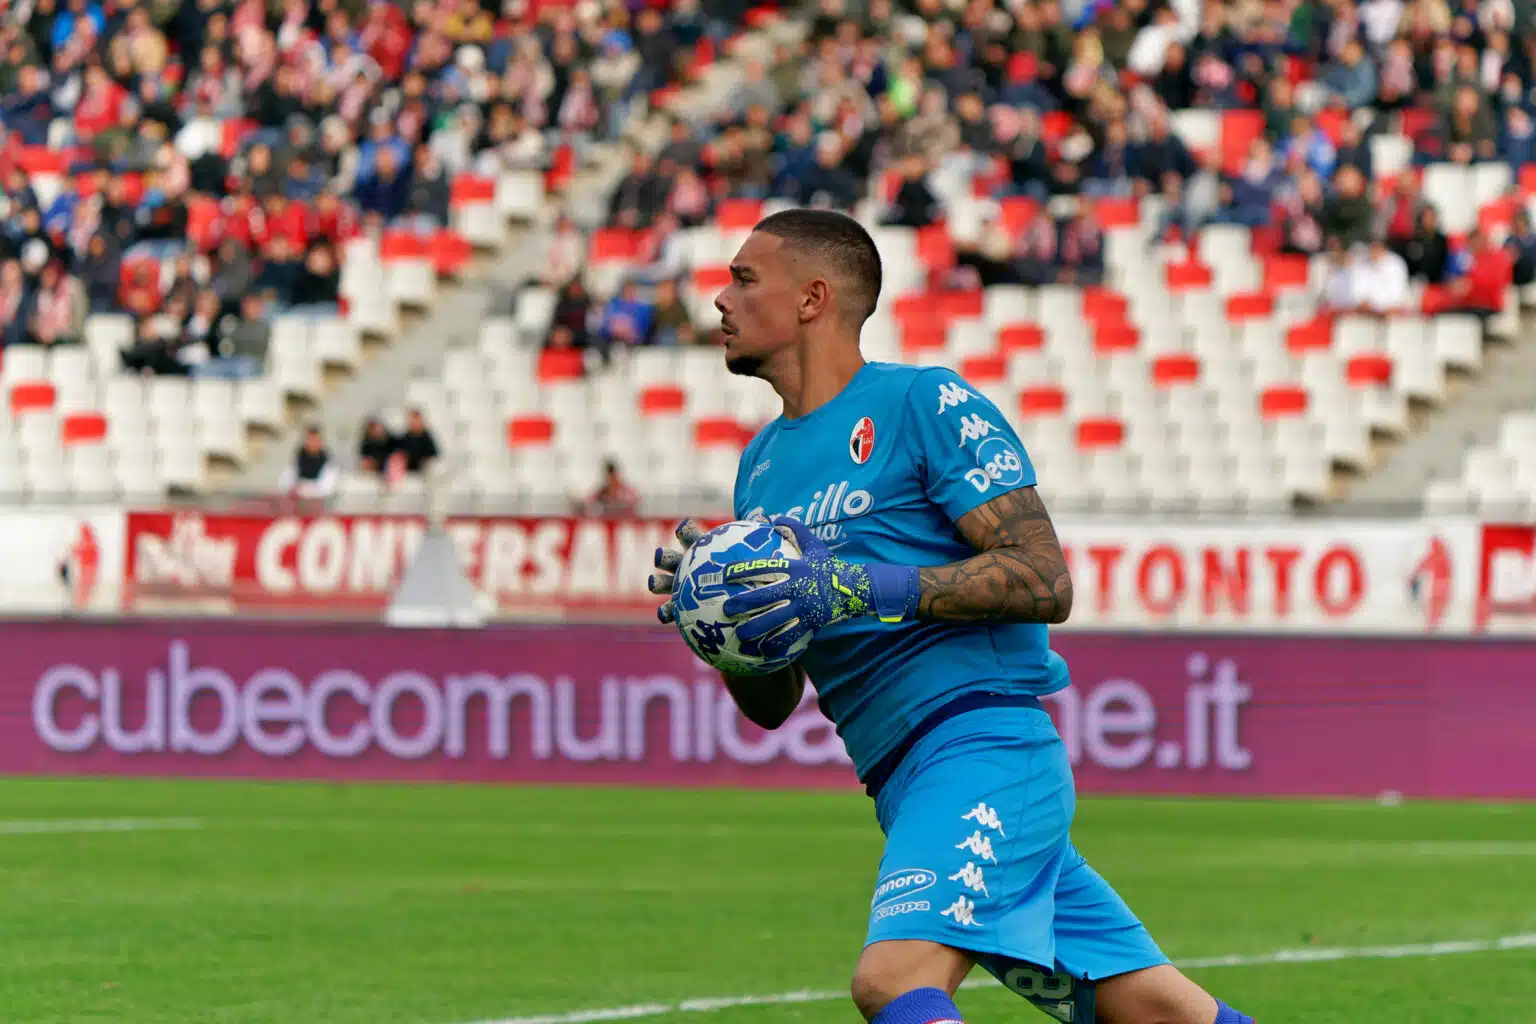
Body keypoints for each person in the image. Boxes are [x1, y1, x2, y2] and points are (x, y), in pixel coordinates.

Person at [646, 209, 1254, 1024]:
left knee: (894, 982)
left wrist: (859, 587)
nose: (720, 300)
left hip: (983, 747)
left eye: (743, 278)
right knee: (1156, 1013)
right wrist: (720, 622)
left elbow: (1044, 579)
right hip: (901, 780)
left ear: (813, 298)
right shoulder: (760, 469)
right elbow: (773, 703)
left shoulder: (922, 403)